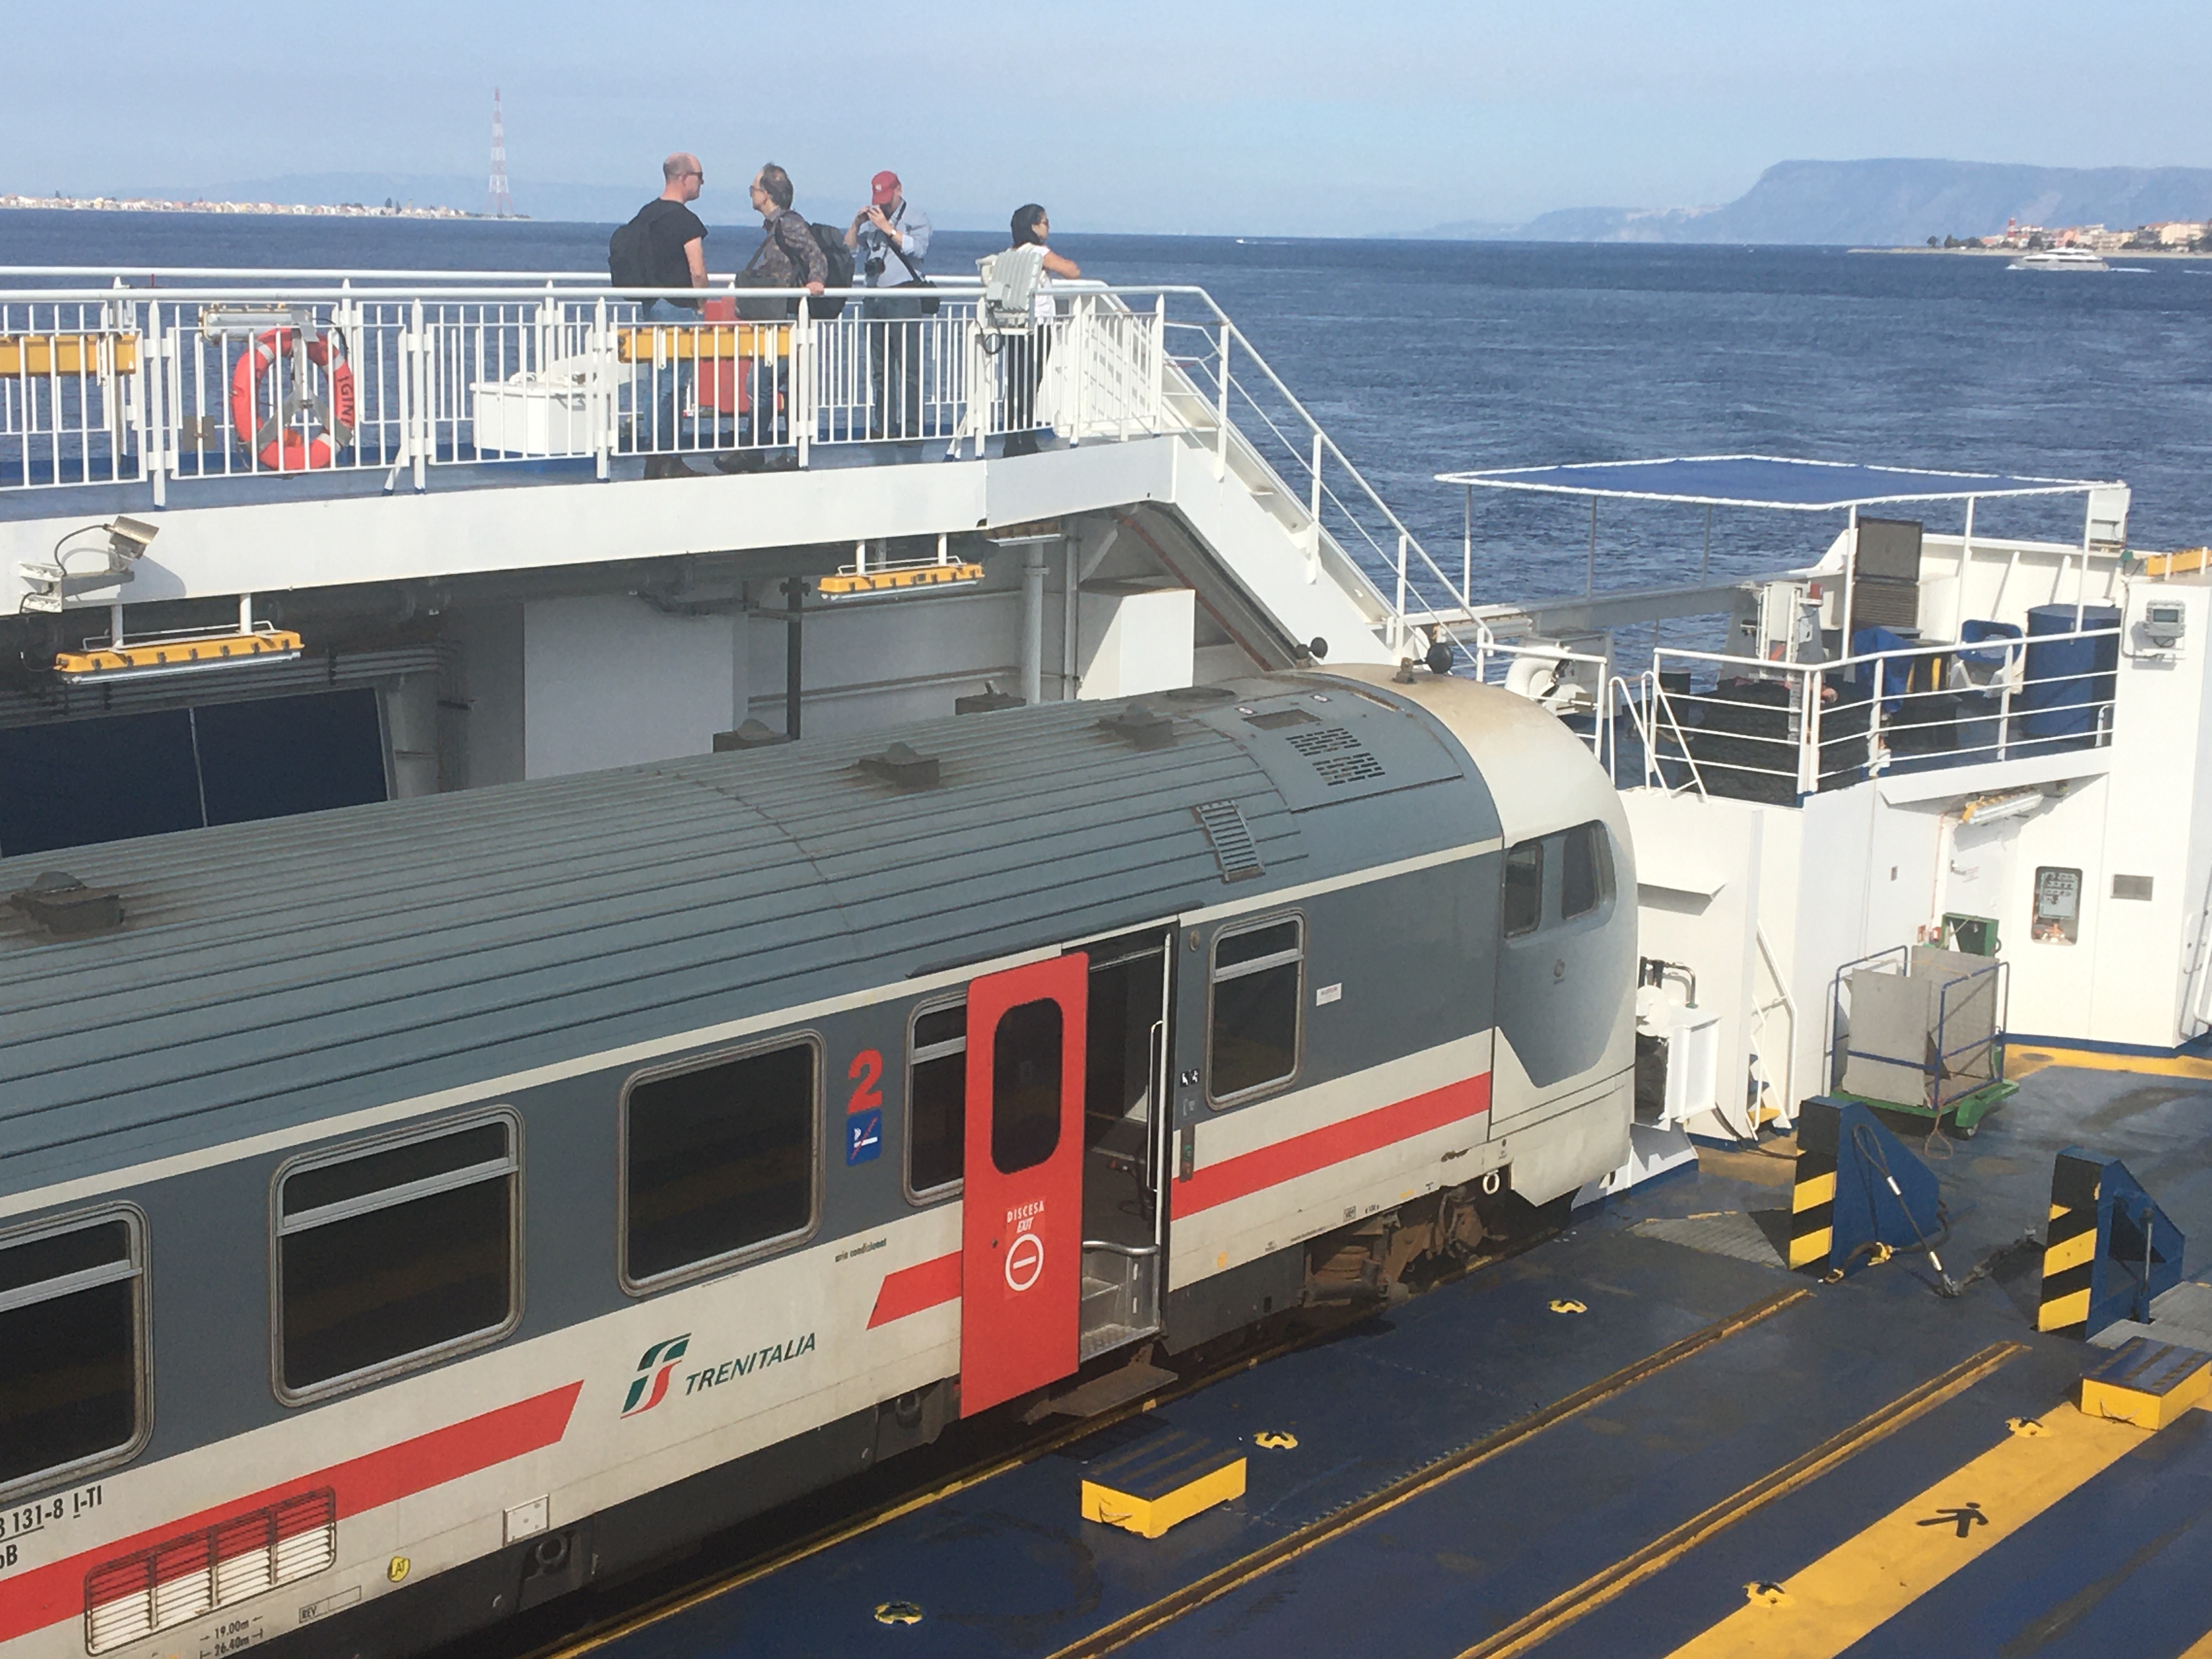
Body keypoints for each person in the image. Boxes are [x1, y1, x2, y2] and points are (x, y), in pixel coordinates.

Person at [723, 164, 827, 471]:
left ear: (766, 194)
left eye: (754, 189)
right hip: (778, 319)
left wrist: (816, 281)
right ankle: (784, 450)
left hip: (786, 319)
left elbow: (814, 254)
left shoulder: (788, 225)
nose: (752, 194)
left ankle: (758, 449)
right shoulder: (777, 226)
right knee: (776, 384)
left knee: (763, 382)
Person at [612, 153, 709, 477]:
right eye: (700, 176)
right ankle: (670, 458)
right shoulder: (685, 221)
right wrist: (701, 305)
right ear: (685, 178)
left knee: (656, 383)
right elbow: (697, 271)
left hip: (651, 306)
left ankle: (655, 456)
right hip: (679, 308)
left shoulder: (646, 215)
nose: (702, 183)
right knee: (674, 384)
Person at [847, 171, 933, 439]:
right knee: (880, 368)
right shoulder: (873, 220)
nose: (883, 204)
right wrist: (856, 225)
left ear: (899, 190)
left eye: (887, 197)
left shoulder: (916, 217)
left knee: (909, 367)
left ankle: (911, 427)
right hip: (875, 298)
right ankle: (883, 425)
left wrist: (889, 229)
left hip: (904, 296)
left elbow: (918, 250)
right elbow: (849, 249)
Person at [1000, 204, 1080, 458]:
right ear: (1033, 227)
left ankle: (1012, 440)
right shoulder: (1038, 252)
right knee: (1031, 383)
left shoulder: (1013, 253)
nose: (1048, 227)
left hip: (1014, 325)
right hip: (1037, 326)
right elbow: (1072, 271)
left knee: (1015, 384)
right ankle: (1026, 440)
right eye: (1045, 222)